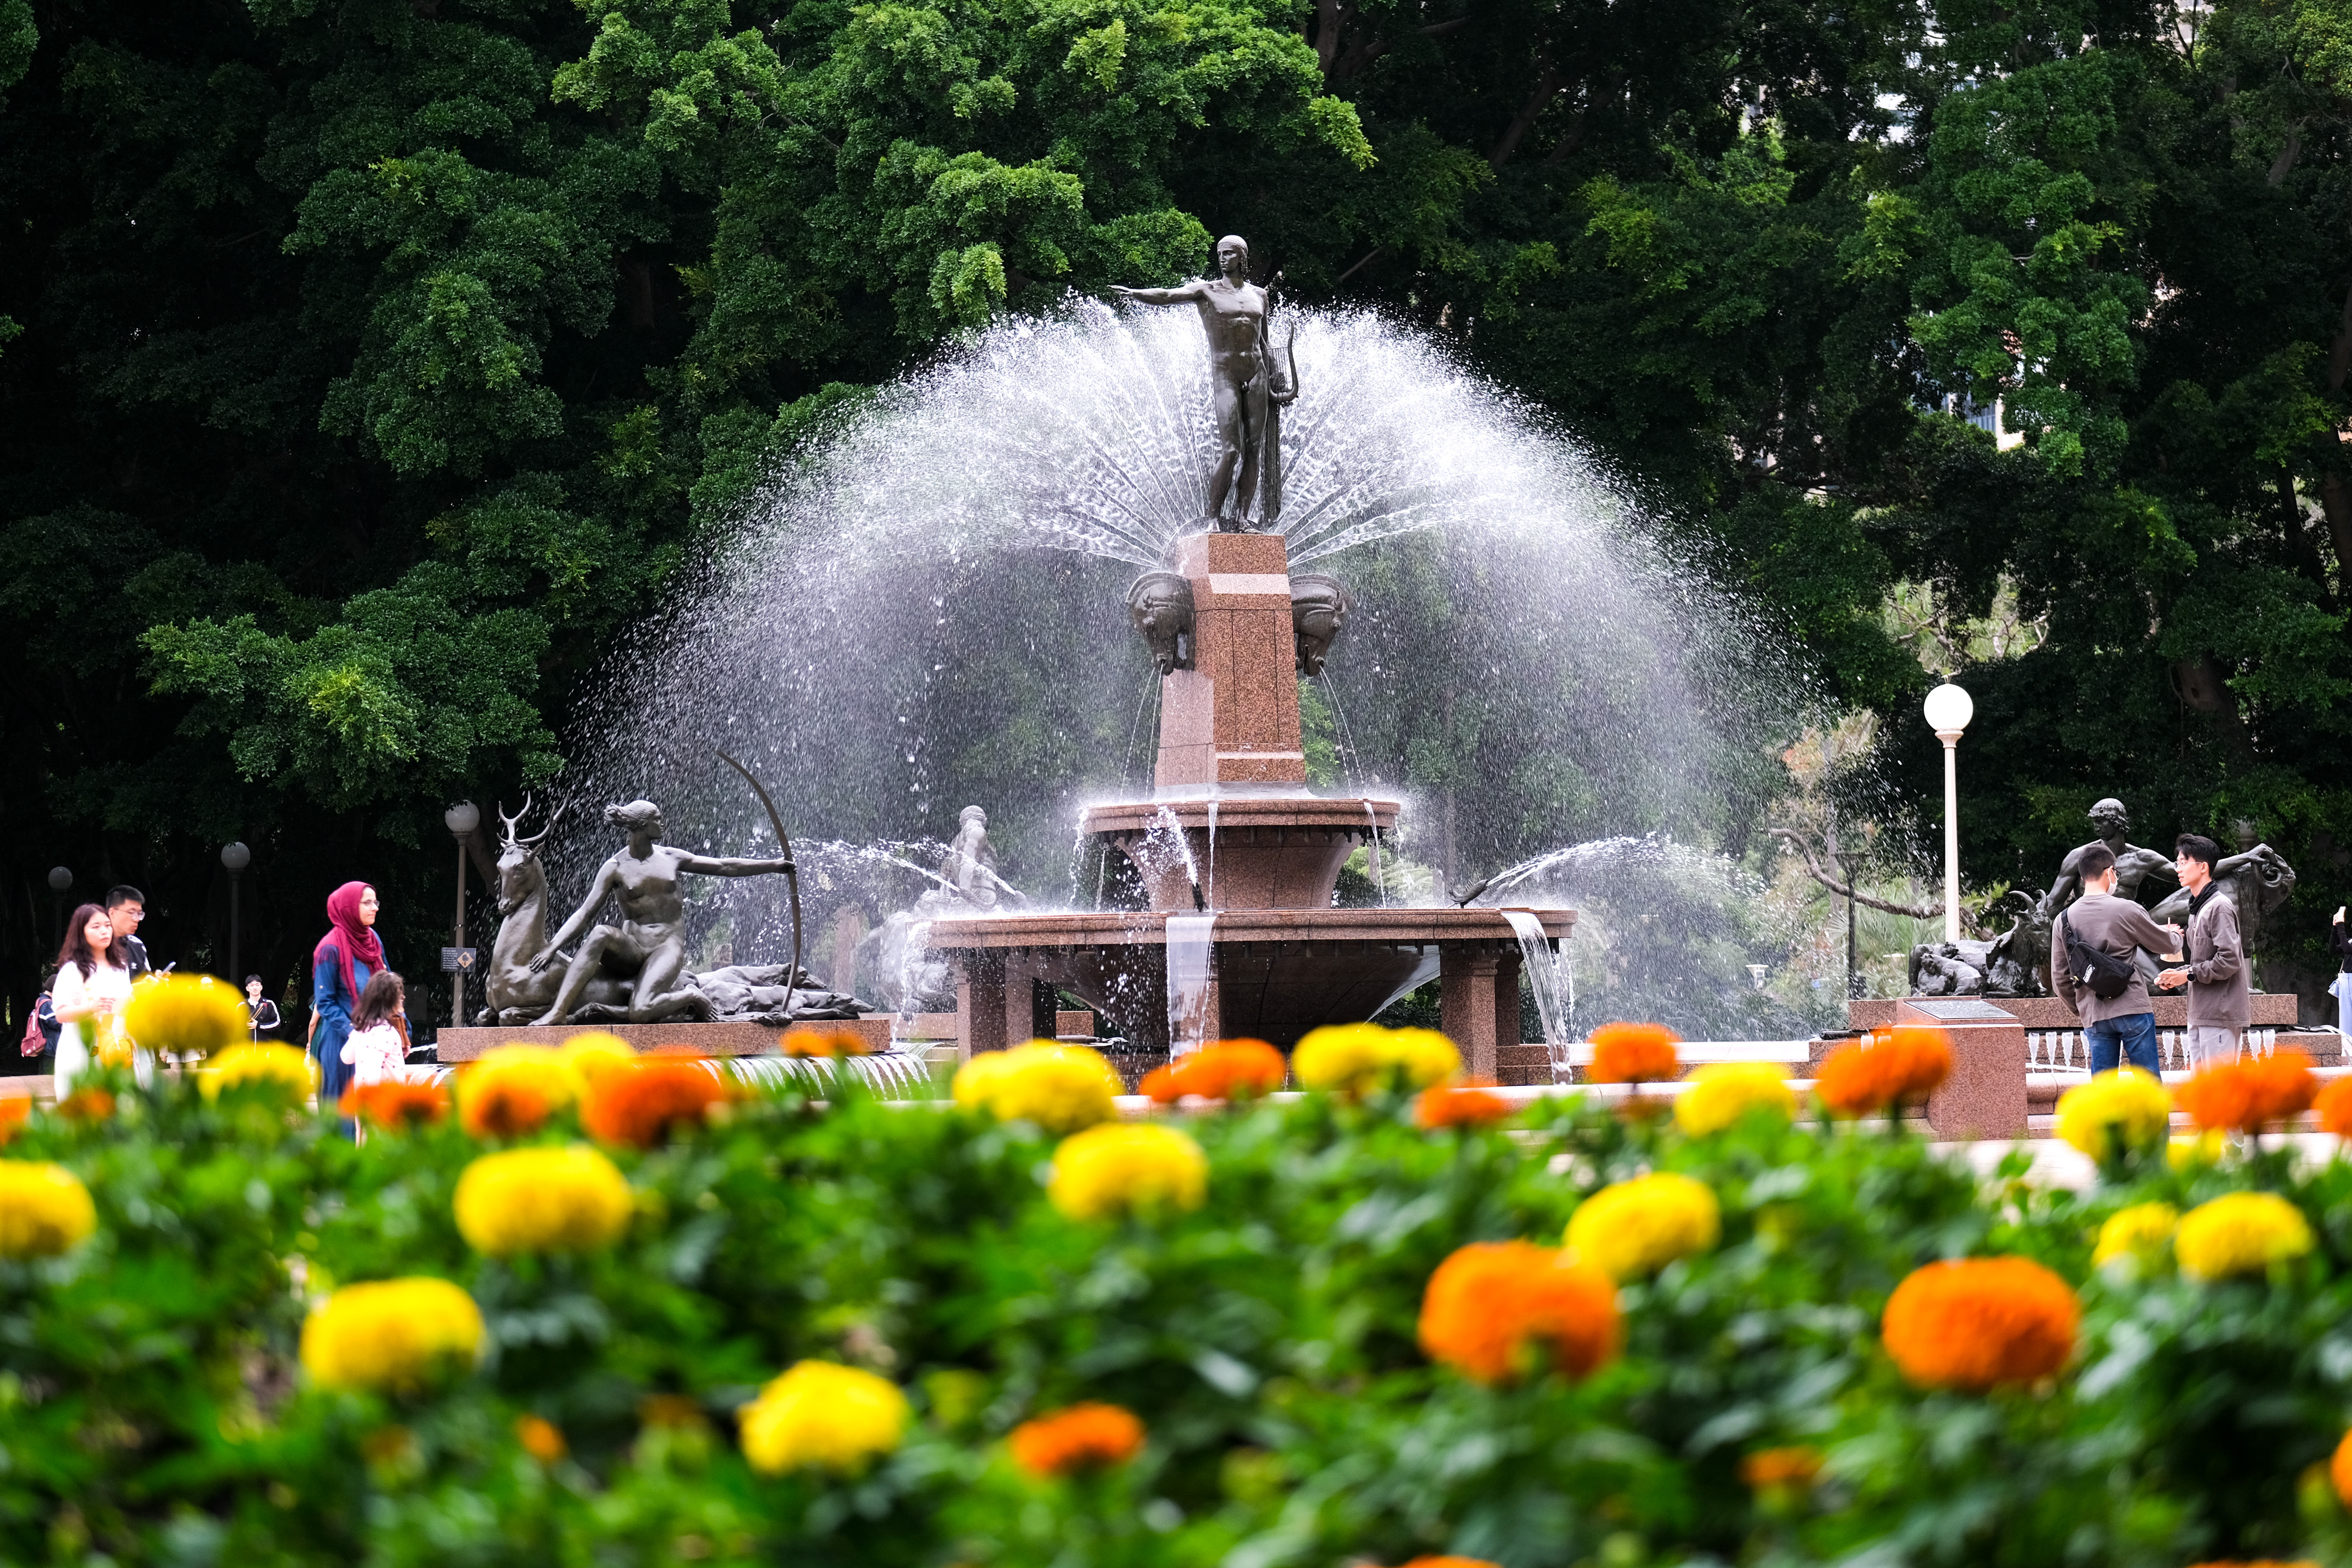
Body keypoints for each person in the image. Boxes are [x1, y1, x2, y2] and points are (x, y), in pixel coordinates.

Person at [2050, 844, 2180, 1075]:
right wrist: (2175, 936)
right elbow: (2166, 945)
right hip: (2132, 1007)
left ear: (2082, 876)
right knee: (2147, 1083)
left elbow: (2060, 978)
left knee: (2103, 1089)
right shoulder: (2127, 909)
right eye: (2115, 874)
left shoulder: (2063, 920)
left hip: (2094, 1013)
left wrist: (2081, 1009)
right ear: (2109, 872)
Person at [2157, 834, 2247, 1066]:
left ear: (2203, 867)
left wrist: (2187, 975)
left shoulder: (2219, 907)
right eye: (2177, 862)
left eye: (2184, 862)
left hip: (2220, 1015)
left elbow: (2229, 960)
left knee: (2220, 1097)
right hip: (2200, 1014)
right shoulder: (2197, 910)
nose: (2178, 868)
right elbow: (2202, 963)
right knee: (2204, 1097)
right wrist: (2178, 975)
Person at [310, 882, 385, 1107]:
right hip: (342, 1042)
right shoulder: (330, 948)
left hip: (375, 1040)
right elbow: (325, 1002)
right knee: (342, 1117)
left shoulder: (373, 940)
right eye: (367, 903)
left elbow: (387, 986)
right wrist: (354, 1033)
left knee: (373, 1119)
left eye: (375, 902)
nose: (375, 908)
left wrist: (400, 1027)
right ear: (349, 907)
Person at [50, 902, 131, 1096]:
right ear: (81, 933)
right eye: (96, 927)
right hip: (82, 1045)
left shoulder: (120, 967)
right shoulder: (73, 969)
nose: (104, 931)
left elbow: (127, 1003)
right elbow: (61, 1014)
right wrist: (91, 1008)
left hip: (116, 1044)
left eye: (107, 925)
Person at [340, 970, 407, 1090]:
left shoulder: (362, 1028)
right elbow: (372, 1078)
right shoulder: (383, 1033)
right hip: (384, 1102)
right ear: (390, 1002)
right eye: (400, 996)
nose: (403, 999)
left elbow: (346, 1058)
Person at [105, 885, 152, 977]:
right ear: (112, 913)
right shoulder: (95, 944)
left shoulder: (137, 945)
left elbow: (146, 983)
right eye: (132, 913)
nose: (137, 919)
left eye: (139, 914)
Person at [243, 975, 282, 1041]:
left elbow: (277, 1023)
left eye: (257, 985)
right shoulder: (242, 1005)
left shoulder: (269, 1004)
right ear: (247, 988)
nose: (255, 988)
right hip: (246, 1048)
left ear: (261, 987)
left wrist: (259, 1026)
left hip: (264, 1048)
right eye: (252, 985)